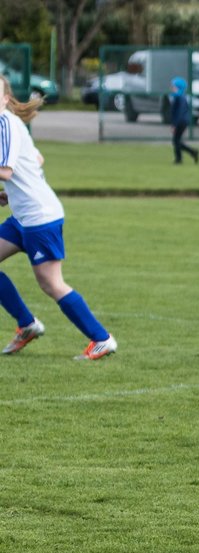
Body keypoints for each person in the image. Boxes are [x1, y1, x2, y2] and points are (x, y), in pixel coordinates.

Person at [0, 75, 117, 360]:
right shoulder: (10, 125)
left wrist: (15, 187)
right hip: (25, 215)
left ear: (5, 99)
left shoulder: (4, 123)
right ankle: (27, 325)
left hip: (40, 217)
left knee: (51, 284)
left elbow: (5, 171)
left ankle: (102, 339)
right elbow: (36, 160)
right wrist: (14, 193)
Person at [168, 77, 199, 165]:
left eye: (173, 86)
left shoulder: (179, 97)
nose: (172, 88)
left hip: (180, 122)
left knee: (176, 141)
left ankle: (180, 158)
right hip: (182, 121)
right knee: (177, 141)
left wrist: (174, 125)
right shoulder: (180, 97)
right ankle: (190, 153)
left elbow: (179, 112)